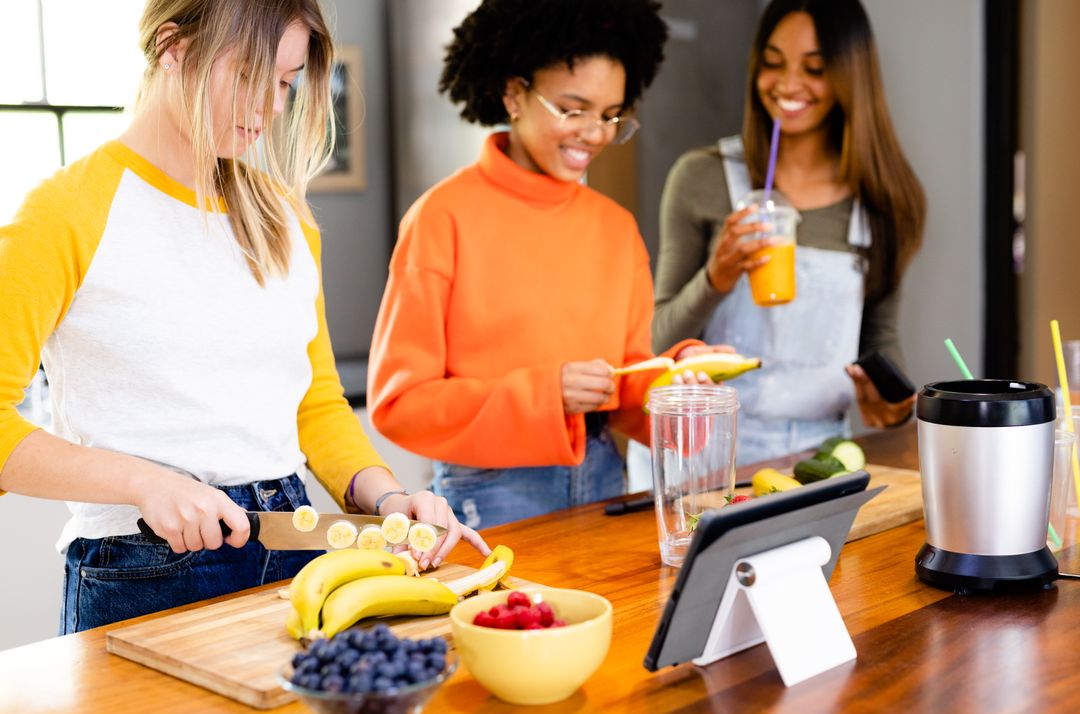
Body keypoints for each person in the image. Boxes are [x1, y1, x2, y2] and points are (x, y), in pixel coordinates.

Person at [0, 0, 487, 634]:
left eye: (285, 83)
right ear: (175, 49)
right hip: (145, 563)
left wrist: (390, 500)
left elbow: (313, 401)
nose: (274, 106)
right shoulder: (65, 212)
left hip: (294, 543)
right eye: (253, 78)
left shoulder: (285, 216)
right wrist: (144, 482)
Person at [367, 0, 727, 530]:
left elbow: (627, 389)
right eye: (572, 108)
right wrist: (545, 394)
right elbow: (400, 403)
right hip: (484, 498)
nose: (595, 133)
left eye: (610, 116)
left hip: (605, 486)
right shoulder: (442, 218)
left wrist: (679, 382)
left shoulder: (616, 228)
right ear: (514, 94)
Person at [649, 0, 925, 465]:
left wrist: (892, 406)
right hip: (703, 456)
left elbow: (878, 339)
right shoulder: (702, 178)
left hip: (820, 459)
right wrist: (716, 276)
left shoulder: (883, 204)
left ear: (850, 76)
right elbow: (657, 343)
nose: (788, 85)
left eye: (815, 69)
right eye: (773, 64)